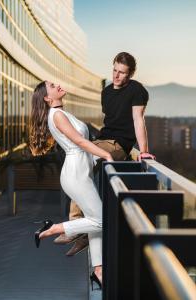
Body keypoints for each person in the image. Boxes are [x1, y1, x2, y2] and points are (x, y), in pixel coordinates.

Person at [56, 52, 155, 256]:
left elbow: (138, 120)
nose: (117, 76)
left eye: (122, 73)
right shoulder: (107, 92)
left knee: (83, 162)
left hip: (118, 145)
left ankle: (75, 226)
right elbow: (110, 121)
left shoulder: (137, 90)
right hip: (102, 140)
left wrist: (143, 151)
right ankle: (82, 230)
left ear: (130, 74)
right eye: (115, 70)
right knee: (77, 164)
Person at [29, 81, 113, 285]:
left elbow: (83, 145)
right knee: (102, 220)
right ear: (48, 98)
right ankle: (53, 228)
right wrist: (106, 155)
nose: (57, 85)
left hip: (81, 172)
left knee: (96, 221)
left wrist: (96, 159)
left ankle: (99, 271)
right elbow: (80, 142)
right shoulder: (56, 115)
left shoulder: (62, 113)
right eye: (51, 86)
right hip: (75, 174)